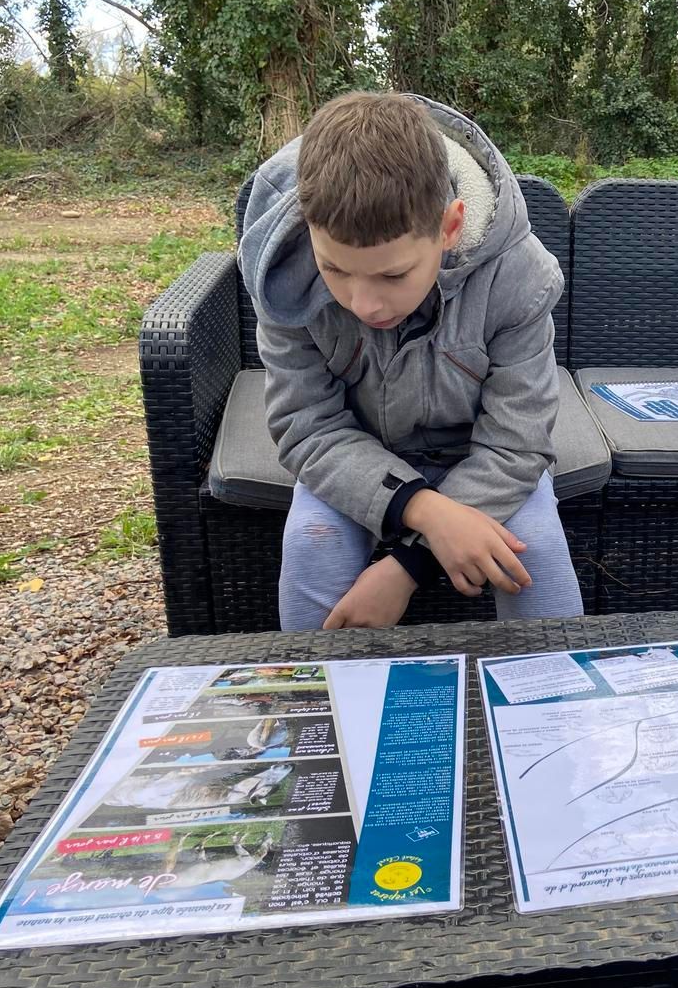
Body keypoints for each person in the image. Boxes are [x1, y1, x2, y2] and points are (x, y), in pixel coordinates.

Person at [238, 92, 584, 631]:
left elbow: (518, 442)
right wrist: (424, 511)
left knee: (532, 553)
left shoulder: (521, 278)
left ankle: (549, 707)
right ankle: (318, 701)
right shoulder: (283, 280)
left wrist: (408, 562)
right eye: (335, 270)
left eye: (392, 275)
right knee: (313, 542)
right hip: (353, 458)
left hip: (485, 463)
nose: (363, 303)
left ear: (449, 228)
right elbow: (307, 428)